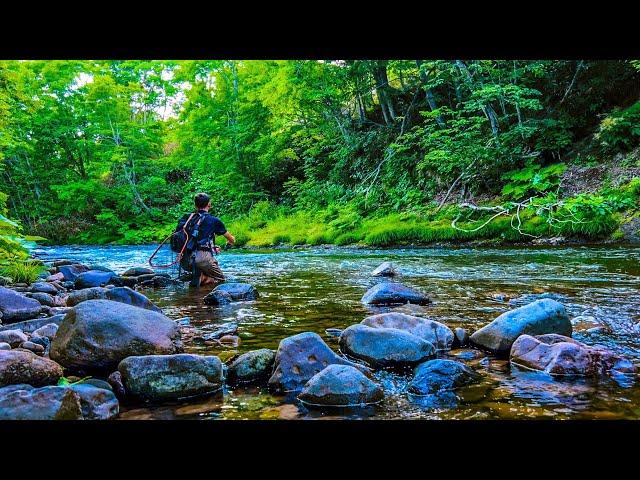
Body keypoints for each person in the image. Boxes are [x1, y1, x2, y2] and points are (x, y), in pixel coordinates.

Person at [178, 193, 235, 286]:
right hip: (202, 259)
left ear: (195, 205)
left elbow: (192, 239)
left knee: (204, 271)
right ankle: (203, 279)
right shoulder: (214, 220)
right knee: (221, 280)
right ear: (209, 204)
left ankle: (199, 281)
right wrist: (231, 241)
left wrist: (212, 247)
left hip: (185, 260)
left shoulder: (187, 218)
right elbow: (230, 238)